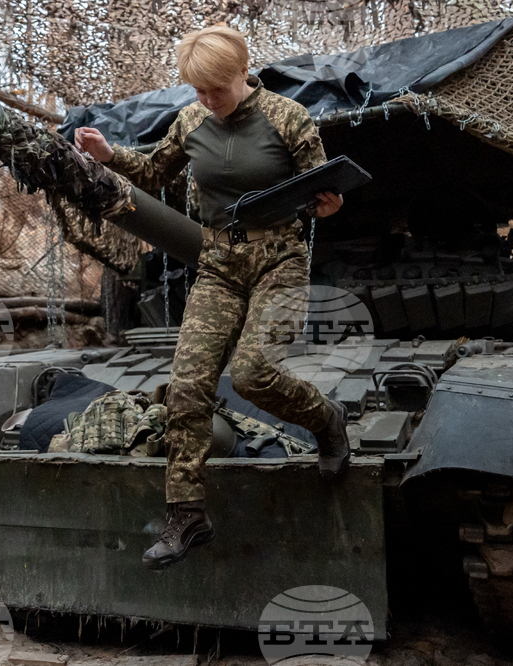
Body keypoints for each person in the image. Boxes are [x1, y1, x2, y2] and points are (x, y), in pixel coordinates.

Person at [74, 25, 350, 570]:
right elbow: (154, 171)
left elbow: (324, 191)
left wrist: (329, 204)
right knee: (187, 387)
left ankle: (327, 421)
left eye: (214, 89)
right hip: (219, 264)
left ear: (242, 73)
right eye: (197, 90)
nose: (206, 100)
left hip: (279, 260)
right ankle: (187, 515)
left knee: (251, 375)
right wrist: (110, 154)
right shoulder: (192, 120)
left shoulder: (288, 118)